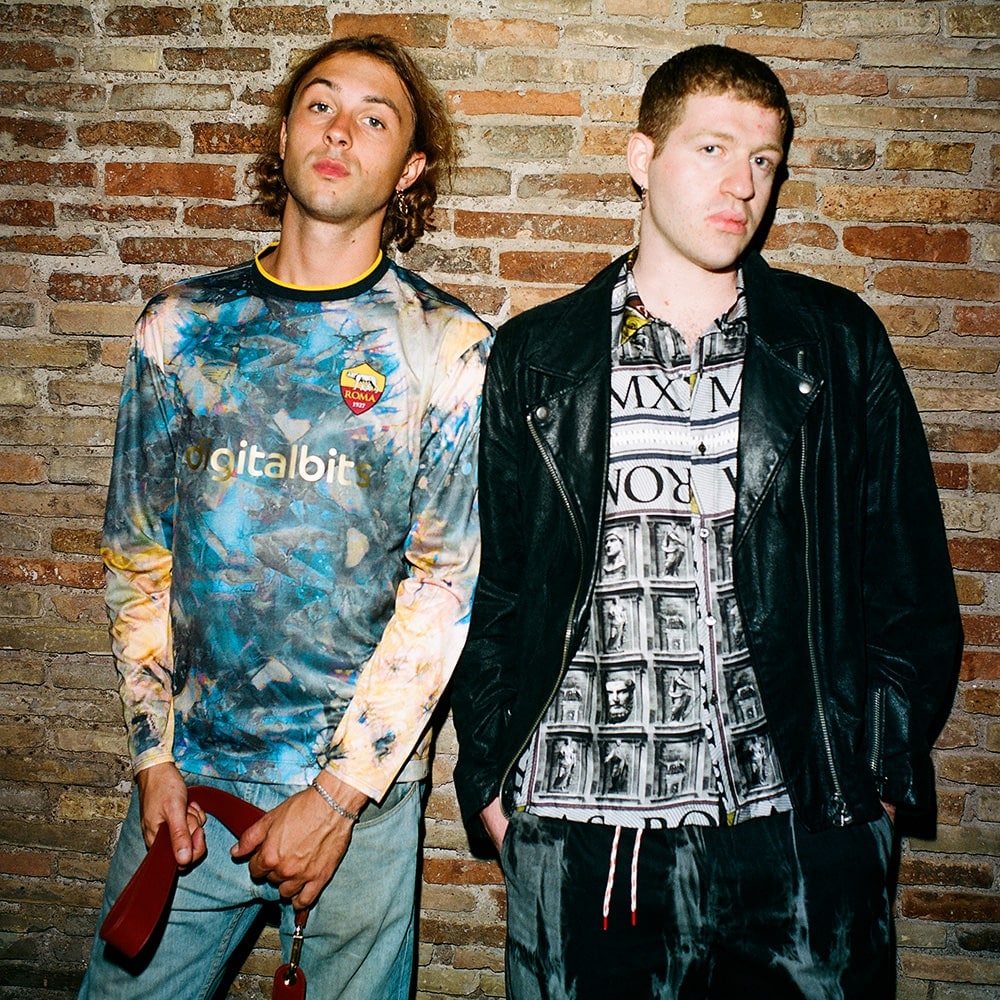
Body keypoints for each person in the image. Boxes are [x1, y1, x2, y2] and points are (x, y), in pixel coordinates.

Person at [451, 44, 962, 999]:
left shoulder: (835, 343)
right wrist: (490, 779)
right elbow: (498, 588)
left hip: (801, 825)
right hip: (583, 829)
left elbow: (910, 587)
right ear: (641, 159)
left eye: (764, 159)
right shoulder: (538, 357)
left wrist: (879, 784)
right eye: (714, 149)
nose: (743, 184)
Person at [79, 33, 491, 1000]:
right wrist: (151, 756)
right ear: (283, 135)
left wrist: (338, 798)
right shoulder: (181, 326)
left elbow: (444, 585)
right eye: (320, 104)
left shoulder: (449, 348)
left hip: (358, 802)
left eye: (375, 119)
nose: (340, 130)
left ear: (410, 168)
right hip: (187, 789)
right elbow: (138, 554)